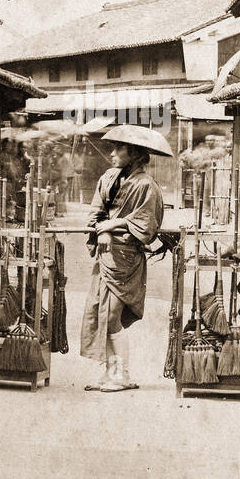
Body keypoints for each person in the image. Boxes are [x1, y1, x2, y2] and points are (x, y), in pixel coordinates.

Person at [79, 125, 168, 392]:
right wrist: (101, 230)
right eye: (113, 147)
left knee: (113, 315)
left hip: (127, 260)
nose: (113, 153)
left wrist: (111, 225)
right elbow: (94, 215)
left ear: (136, 154)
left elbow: (146, 225)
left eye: (120, 149)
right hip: (106, 255)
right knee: (102, 315)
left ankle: (122, 376)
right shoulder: (107, 177)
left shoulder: (147, 186)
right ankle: (110, 374)